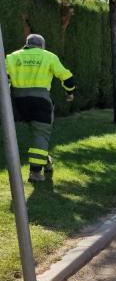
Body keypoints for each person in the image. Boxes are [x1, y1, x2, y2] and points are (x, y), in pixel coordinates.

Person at [5, 34, 75, 182]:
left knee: (38, 134)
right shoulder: (49, 56)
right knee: (41, 134)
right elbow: (67, 77)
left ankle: (47, 162)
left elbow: (5, 78)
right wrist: (70, 93)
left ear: (27, 44)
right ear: (42, 46)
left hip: (19, 101)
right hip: (41, 100)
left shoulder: (12, 57)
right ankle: (35, 172)